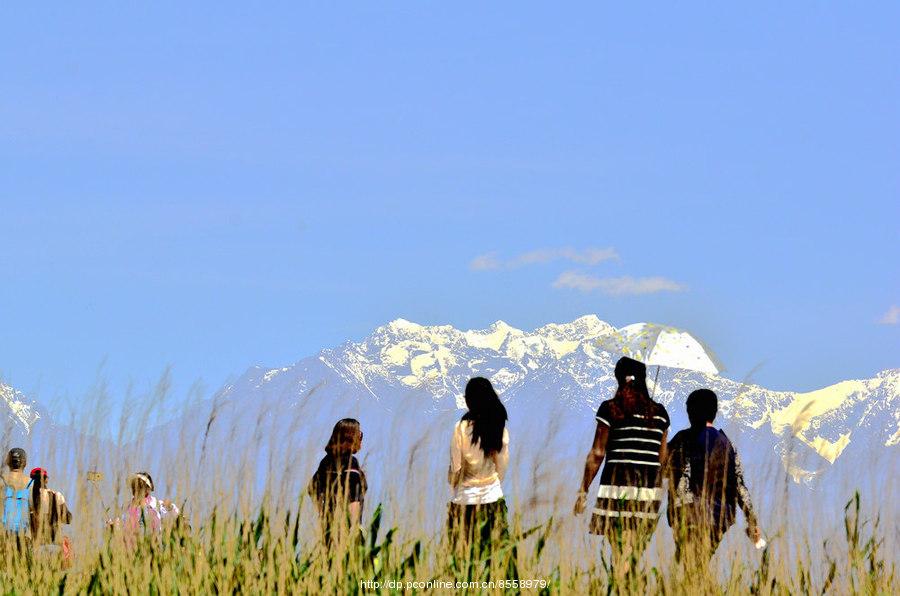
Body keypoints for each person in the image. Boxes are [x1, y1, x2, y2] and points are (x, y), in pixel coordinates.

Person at [574, 357, 670, 573]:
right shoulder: (661, 414)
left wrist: (583, 490)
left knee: (620, 554)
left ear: (619, 378)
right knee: (633, 555)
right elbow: (662, 460)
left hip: (615, 490)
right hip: (648, 493)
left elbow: (597, 453)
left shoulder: (610, 409)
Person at [664, 389, 761, 569]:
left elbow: (663, 469)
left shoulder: (683, 439)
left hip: (688, 511)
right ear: (714, 412)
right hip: (720, 516)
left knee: (688, 564)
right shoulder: (727, 444)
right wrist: (751, 519)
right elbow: (740, 486)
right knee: (698, 564)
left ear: (692, 411)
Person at [447, 377, 511, 555]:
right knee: (498, 564)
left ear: (468, 401)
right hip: (493, 501)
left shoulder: (460, 428)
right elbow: (502, 470)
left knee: (463, 566)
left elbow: (456, 469)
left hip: (464, 503)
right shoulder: (499, 428)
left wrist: (455, 483)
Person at [308, 418, 367, 547]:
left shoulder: (326, 462)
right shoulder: (351, 463)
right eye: (360, 434)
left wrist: (323, 512)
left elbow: (312, 488)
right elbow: (354, 497)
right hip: (347, 536)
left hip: (328, 532)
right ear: (351, 437)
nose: (361, 438)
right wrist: (355, 529)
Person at [28, 467, 73, 563]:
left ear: (31, 480)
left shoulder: (28, 498)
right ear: (46, 479)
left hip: (37, 547)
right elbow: (68, 519)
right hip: (55, 546)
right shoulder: (57, 495)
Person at [120, 472, 180, 536]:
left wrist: (170, 506)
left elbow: (176, 515)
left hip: (152, 544)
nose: (136, 488)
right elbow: (120, 525)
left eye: (140, 485)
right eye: (133, 485)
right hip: (130, 544)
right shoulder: (126, 507)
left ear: (148, 488)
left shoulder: (157, 504)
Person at [2, 448, 32, 537]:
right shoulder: (31, 484)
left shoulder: (1, 481)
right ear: (25, 463)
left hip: (3, 532)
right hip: (23, 534)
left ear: (8, 462)